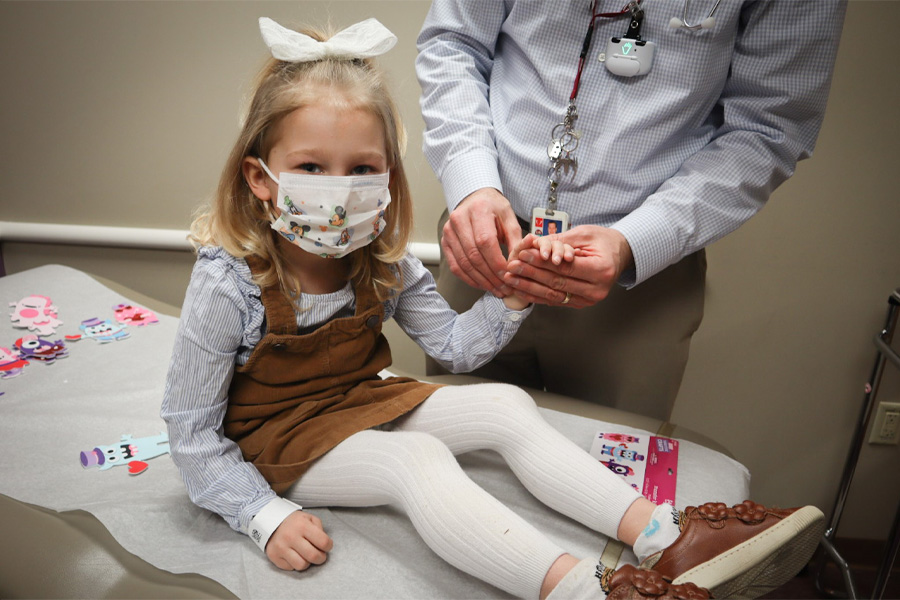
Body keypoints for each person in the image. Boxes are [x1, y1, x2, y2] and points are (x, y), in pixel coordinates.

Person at [162, 17, 825, 600]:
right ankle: (589, 594)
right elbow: (191, 435)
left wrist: (513, 294)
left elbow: (454, 349)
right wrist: (261, 515)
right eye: (312, 166)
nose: (342, 190)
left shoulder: (384, 265)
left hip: (355, 404)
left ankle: (668, 538)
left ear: (390, 177)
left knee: (505, 404)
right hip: (275, 442)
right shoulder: (229, 285)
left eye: (364, 169)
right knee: (415, 463)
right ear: (259, 177)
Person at [416, 0, 848, 420]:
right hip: (485, 247)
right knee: (454, 446)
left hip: (638, 284)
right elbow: (453, 43)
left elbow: (767, 128)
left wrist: (635, 243)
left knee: (609, 473)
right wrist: (471, 184)